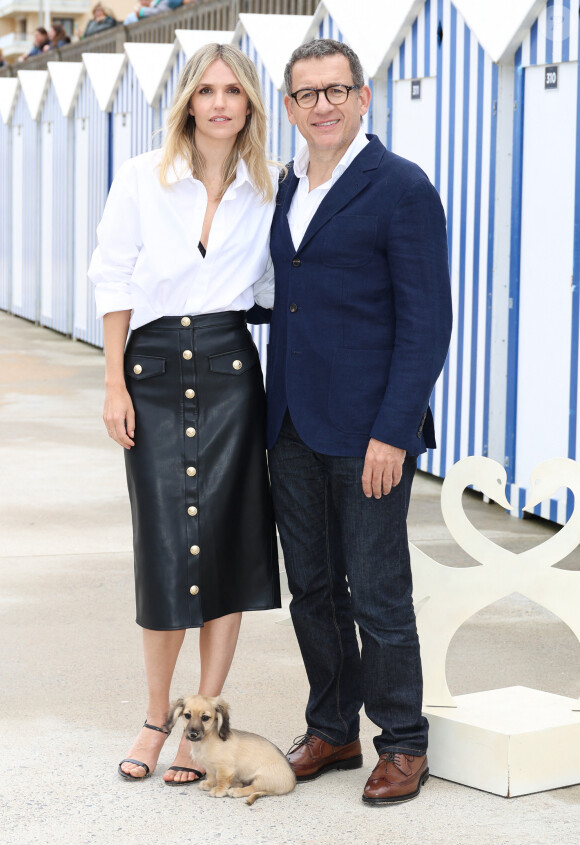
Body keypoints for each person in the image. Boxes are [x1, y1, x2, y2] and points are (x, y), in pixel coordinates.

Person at [88, 43, 282, 784]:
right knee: (167, 547)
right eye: (207, 91)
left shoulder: (269, 187)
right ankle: (153, 715)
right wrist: (115, 381)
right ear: (189, 104)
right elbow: (111, 272)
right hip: (155, 367)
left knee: (228, 545)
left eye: (235, 91)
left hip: (233, 373)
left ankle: (203, 719)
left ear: (250, 106)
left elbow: (273, 280)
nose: (221, 103)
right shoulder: (144, 178)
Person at [266, 38, 453, 804]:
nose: (323, 105)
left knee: (377, 590)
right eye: (306, 94)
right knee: (311, 587)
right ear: (289, 107)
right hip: (291, 426)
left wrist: (395, 430)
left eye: (336, 90)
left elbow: (427, 322)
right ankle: (333, 726)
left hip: (370, 429)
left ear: (364, 96)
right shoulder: (285, 186)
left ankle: (403, 740)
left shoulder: (401, 187)